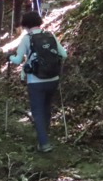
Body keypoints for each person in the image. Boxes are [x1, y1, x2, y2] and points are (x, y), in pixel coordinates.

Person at [9, 11, 68, 153]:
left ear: (25, 25)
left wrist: (9, 57)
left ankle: (44, 142)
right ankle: (44, 134)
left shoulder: (26, 39)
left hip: (35, 81)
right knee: (47, 108)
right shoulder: (50, 35)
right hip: (53, 79)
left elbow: (17, 61)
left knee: (37, 111)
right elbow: (64, 54)